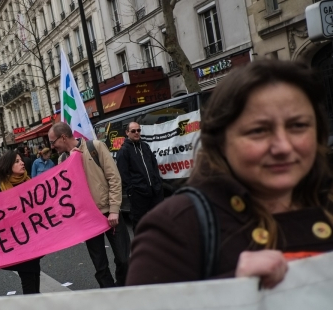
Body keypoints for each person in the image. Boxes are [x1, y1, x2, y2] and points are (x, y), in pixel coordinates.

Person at [126, 60, 333, 289]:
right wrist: (230, 291)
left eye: (298, 126)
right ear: (221, 140)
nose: (283, 146)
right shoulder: (173, 229)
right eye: (259, 131)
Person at [48, 123, 130, 287]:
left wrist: (114, 210)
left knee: (124, 258)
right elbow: (65, 192)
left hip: (109, 213)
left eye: (53, 141)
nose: (52, 146)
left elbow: (114, 179)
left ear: (63, 137)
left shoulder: (96, 147)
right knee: (100, 264)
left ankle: (122, 286)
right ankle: (109, 292)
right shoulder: (63, 159)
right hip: (88, 219)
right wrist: (71, 162)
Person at [0, 151, 41, 294]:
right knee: (28, 276)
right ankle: (34, 308)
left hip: (33, 236)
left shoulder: (27, 181)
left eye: (21, 160)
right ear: (7, 166)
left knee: (35, 273)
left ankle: (36, 303)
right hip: (17, 240)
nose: (22, 163)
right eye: (17, 161)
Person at [116, 121, 164, 230]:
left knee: (160, 219)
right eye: (133, 131)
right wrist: (132, 192)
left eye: (138, 130)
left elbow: (154, 165)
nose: (136, 133)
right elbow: (124, 174)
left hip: (155, 191)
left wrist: (158, 183)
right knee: (140, 223)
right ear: (127, 133)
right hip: (138, 194)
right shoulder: (124, 151)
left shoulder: (145, 146)